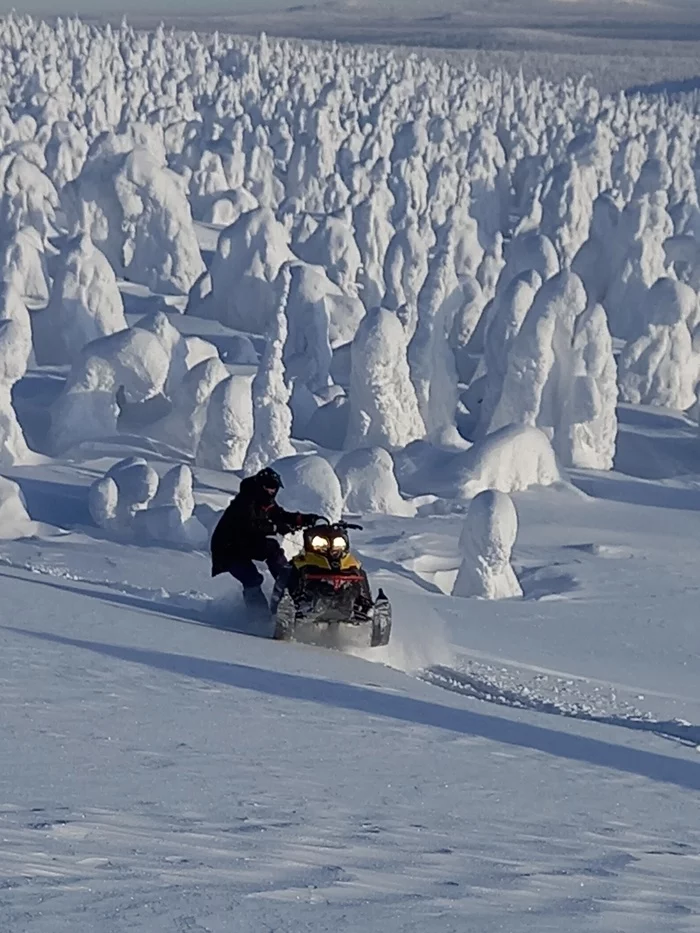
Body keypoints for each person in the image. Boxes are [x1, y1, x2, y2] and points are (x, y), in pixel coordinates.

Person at [210, 467, 319, 609]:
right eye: (268, 487)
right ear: (260, 486)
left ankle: (290, 586)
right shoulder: (245, 502)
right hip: (228, 550)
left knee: (272, 549)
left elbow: (280, 515)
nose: (272, 491)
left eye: (274, 488)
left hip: (244, 544)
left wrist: (302, 519)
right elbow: (250, 525)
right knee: (252, 578)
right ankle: (258, 616)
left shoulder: (265, 503)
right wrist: (275, 527)